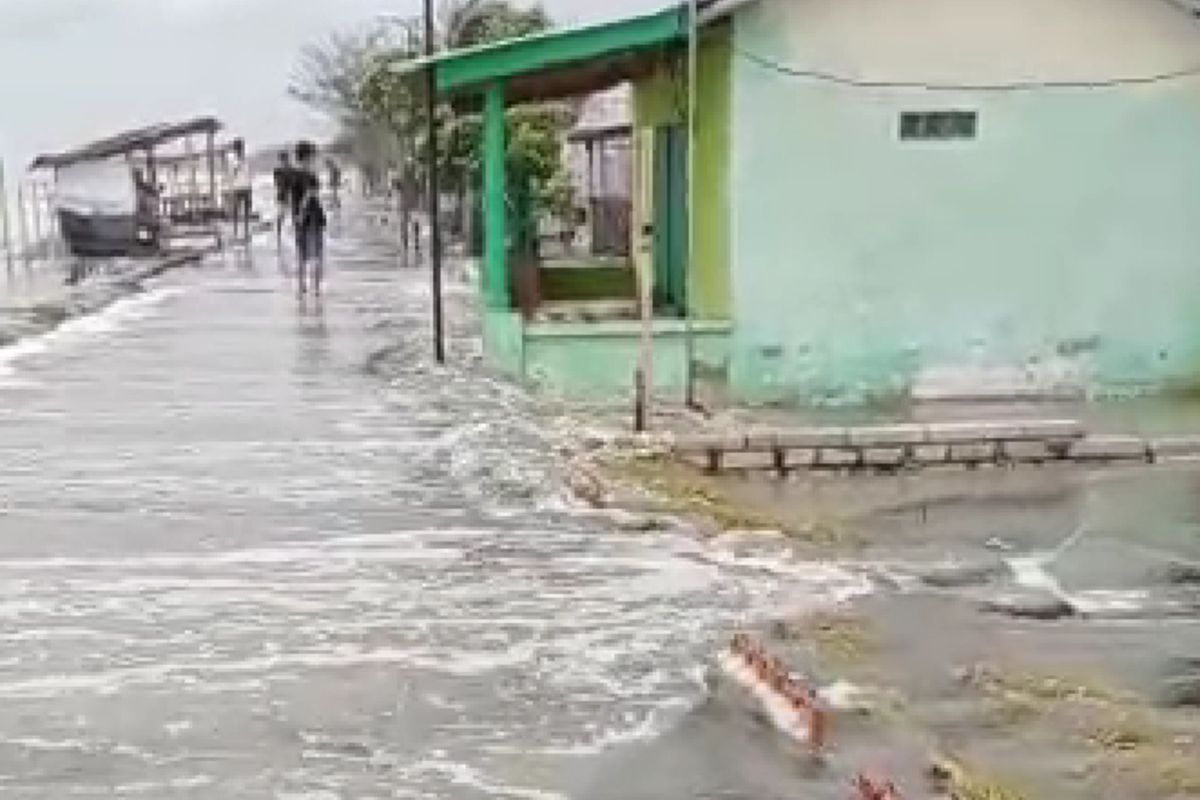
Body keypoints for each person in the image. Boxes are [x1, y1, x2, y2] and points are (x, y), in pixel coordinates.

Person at [290, 140, 327, 296]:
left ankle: (301, 286)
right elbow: (310, 194)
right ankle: (316, 288)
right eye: (312, 156)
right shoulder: (311, 176)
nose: (314, 160)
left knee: (302, 254)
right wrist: (302, 212)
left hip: (300, 217)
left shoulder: (292, 175)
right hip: (312, 216)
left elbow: (292, 197)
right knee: (316, 254)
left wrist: (297, 215)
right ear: (308, 157)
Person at [228, 138, 253, 242]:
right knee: (236, 211)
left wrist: (250, 188)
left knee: (247, 212)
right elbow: (231, 175)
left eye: (240, 148)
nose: (239, 150)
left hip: (246, 187)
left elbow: (248, 174)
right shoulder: (232, 160)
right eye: (238, 148)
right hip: (237, 187)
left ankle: (246, 233)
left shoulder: (246, 159)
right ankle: (235, 233)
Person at [272, 151, 295, 248]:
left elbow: (278, 183)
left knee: (292, 214)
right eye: (283, 159)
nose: (284, 161)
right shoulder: (278, 170)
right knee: (281, 215)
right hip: (283, 194)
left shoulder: (288, 170)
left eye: (284, 159)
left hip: (287, 194)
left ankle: (284, 232)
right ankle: (278, 234)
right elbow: (277, 183)